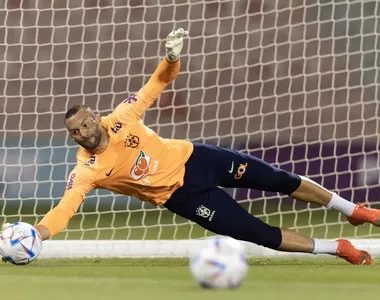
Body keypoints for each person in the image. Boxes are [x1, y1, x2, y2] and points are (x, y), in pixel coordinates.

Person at [6, 28, 380, 265]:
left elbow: (157, 83)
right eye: (75, 131)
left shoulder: (123, 116)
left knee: (281, 180)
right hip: (182, 197)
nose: (83, 131)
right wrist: (39, 232)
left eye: (85, 122)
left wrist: (171, 58)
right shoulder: (86, 171)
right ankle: (338, 248)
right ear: (73, 137)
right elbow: (65, 209)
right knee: (257, 233)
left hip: (198, 158)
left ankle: (353, 209)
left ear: (95, 116)